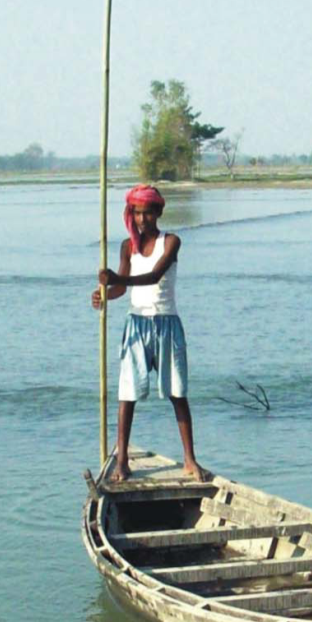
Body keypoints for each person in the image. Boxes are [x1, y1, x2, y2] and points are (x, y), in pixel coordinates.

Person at [91, 184, 204, 483]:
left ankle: (190, 460)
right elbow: (121, 289)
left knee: (177, 393)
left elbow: (154, 276)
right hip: (136, 325)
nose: (142, 220)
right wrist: (105, 293)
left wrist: (119, 277)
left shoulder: (172, 242)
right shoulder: (127, 247)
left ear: (158, 213)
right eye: (137, 213)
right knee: (127, 395)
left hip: (167, 324)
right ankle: (122, 461)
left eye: (148, 213)